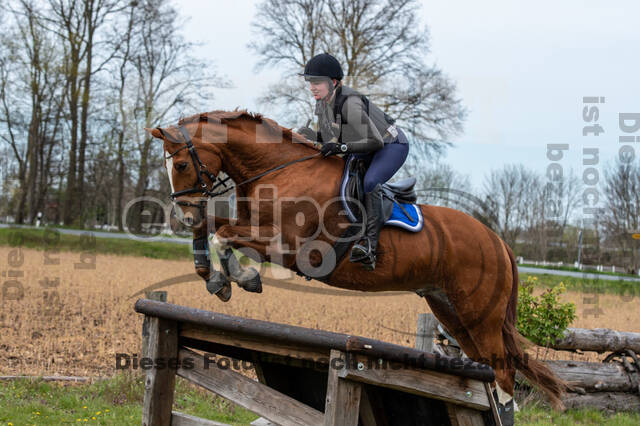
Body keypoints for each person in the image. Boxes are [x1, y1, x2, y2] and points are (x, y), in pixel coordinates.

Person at [297, 52, 409, 270]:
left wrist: (340, 147)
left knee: (369, 182)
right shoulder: (322, 104)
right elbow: (335, 138)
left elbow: (374, 142)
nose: (312, 87)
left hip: (390, 146)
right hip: (365, 145)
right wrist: (315, 137)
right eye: (310, 82)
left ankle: (370, 245)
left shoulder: (350, 104)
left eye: (317, 82)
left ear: (334, 82)